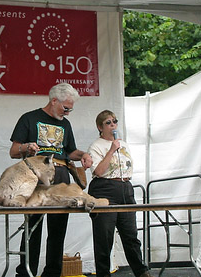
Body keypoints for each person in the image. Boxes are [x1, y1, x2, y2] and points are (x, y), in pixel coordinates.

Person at [9, 82, 93, 277]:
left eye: (71, 109)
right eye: (66, 108)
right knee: (33, 226)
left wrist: (83, 155)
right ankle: (25, 273)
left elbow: (70, 151)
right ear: (54, 100)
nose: (68, 113)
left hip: (61, 174)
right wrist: (26, 148)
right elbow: (13, 151)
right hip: (36, 175)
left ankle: (53, 273)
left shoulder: (65, 124)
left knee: (58, 227)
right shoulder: (29, 118)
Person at [87, 110, 153, 277]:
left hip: (124, 187)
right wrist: (110, 151)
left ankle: (140, 270)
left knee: (130, 234)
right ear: (100, 127)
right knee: (104, 236)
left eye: (115, 121)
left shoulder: (123, 143)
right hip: (104, 188)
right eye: (108, 122)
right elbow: (99, 171)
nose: (113, 125)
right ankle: (103, 273)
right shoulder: (96, 146)